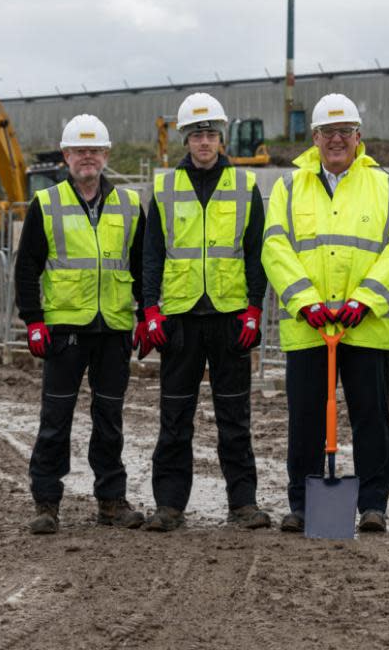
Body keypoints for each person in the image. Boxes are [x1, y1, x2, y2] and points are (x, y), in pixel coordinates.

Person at [262, 93, 389, 534]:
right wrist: (304, 300)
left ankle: (372, 505)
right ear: (315, 138)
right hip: (309, 327)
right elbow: (275, 246)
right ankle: (304, 504)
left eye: (344, 132)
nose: (336, 140)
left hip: (364, 326)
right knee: (306, 417)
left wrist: (365, 300)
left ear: (358, 137)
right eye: (328, 133)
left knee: (371, 416)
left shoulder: (385, 186)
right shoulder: (289, 187)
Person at [137, 93, 270, 532]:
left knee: (235, 417)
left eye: (211, 134)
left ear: (221, 138)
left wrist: (254, 308)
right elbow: (151, 255)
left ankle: (243, 503)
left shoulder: (245, 186)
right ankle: (170, 505)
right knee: (175, 417)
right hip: (180, 319)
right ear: (185, 139)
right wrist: (150, 310)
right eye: (197, 135)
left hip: (231, 317)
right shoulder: (164, 188)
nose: (205, 142)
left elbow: (256, 254)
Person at [16, 113, 146, 535]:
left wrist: (148, 312)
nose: (87, 157)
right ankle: (46, 502)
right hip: (64, 331)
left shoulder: (128, 205)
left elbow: (143, 266)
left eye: (95, 150)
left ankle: (111, 500)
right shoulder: (46, 203)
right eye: (79, 150)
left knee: (109, 419)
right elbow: (26, 267)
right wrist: (33, 321)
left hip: (113, 329)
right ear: (66, 155)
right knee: (56, 418)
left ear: (106, 155)